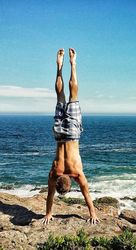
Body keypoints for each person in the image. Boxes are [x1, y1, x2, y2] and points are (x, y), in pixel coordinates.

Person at [42, 48, 99, 225]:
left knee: (72, 97)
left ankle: (70, 65)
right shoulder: (54, 173)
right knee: (61, 96)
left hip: (73, 134)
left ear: (69, 182)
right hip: (59, 133)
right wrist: (48, 213)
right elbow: (50, 195)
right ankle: (62, 66)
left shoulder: (77, 173)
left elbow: (85, 194)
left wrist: (93, 213)